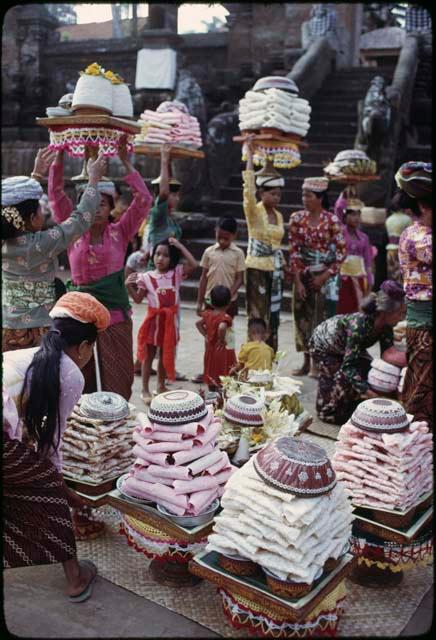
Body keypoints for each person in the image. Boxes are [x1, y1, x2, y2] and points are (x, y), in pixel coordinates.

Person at [3, 291, 111, 602]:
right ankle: (75, 578)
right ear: (85, 346)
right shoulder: (70, 373)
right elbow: (53, 440)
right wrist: (64, 490)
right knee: (47, 487)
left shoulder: (24, 357)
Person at [48, 144, 153, 400]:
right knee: (76, 378)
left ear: (111, 208)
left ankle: (116, 425)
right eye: (92, 203)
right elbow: (55, 194)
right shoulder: (73, 231)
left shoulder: (121, 231)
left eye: (103, 204)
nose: (97, 209)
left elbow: (144, 200)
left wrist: (126, 163)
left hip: (114, 316)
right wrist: (59, 155)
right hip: (77, 316)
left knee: (119, 378)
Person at [2, 150, 105, 353]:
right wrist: (93, 181)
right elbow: (80, 220)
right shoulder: (41, 244)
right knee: (39, 381)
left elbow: (16, 208)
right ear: (32, 219)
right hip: (39, 330)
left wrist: (36, 176)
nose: (43, 213)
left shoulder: (5, 244)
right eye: (40, 210)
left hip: (7, 329)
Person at [309, 280, 406, 425]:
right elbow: (349, 368)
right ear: (386, 312)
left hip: (344, 348)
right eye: (400, 313)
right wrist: (369, 393)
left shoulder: (385, 327)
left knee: (367, 369)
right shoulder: (360, 327)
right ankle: (329, 409)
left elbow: (388, 354)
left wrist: (413, 359)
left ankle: (349, 402)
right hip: (323, 346)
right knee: (345, 377)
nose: (402, 318)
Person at [126, 238, 197, 404]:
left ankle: (160, 386)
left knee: (166, 353)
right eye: (157, 254)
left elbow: (194, 264)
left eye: (165, 255)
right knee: (148, 356)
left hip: (170, 323)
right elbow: (137, 299)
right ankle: (144, 388)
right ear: (152, 256)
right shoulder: (146, 277)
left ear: (172, 258)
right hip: (153, 322)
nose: (160, 258)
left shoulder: (176, 274)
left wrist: (180, 245)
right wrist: (128, 286)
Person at [289, 177, 346, 377]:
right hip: (303, 274)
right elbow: (294, 251)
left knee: (319, 319)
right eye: (303, 194)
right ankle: (305, 361)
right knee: (302, 318)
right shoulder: (296, 218)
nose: (304, 198)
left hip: (324, 276)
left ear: (320, 198)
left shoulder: (331, 220)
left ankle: (317, 363)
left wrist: (324, 276)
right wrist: (298, 281)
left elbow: (341, 253)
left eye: (309, 195)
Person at [397, 161, 432, 429]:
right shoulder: (417, 236)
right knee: (421, 385)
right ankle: (408, 434)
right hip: (424, 324)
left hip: (424, 322)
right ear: (424, 208)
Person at [243, 136, 285, 353]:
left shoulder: (278, 215)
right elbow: (248, 189)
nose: (276, 197)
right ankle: (254, 356)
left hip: (275, 269)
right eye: (272, 193)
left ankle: (271, 358)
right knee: (257, 315)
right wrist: (250, 156)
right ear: (261, 193)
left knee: (273, 316)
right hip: (256, 268)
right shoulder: (254, 211)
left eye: (279, 194)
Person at [192, 216, 245, 383]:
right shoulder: (209, 252)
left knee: (226, 339)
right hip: (210, 300)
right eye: (219, 237)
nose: (222, 241)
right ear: (215, 232)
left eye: (226, 238)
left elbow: (239, 278)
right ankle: (207, 371)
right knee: (210, 339)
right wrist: (199, 301)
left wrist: (229, 295)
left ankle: (227, 371)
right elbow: (203, 278)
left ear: (234, 235)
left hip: (229, 302)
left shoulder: (238, 253)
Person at [196, 285, 236, 391]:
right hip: (222, 350)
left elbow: (198, 324)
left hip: (211, 349)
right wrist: (222, 339)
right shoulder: (226, 317)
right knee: (223, 372)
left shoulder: (208, 314)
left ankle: (212, 393)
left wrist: (206, 335)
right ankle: (222, 394)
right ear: (228, 303)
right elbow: (222, 327)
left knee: (211, 371)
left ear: (212, 302)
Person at [337, 199, 374, 314]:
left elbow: (368, 263)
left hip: (359, 279)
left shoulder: (364, 237)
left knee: (356, 312)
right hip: (342, 279)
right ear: (345, 216)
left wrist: (370, 281)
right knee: (342, 311)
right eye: (353, 214)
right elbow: (338, 208)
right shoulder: (340, 234)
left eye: (359, 214)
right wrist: (345, 196)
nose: (357, 218)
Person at [385, 195, 413, 284]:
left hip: (390, 250)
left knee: (391, 272)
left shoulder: (388, 220)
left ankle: (392, 290)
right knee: (402, 274)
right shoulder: (407, 219)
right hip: (402, 250)